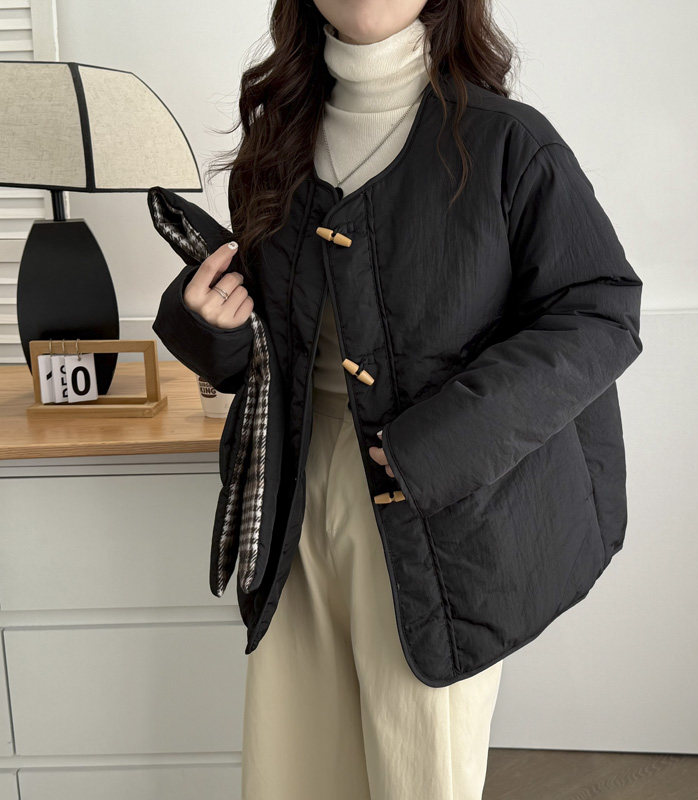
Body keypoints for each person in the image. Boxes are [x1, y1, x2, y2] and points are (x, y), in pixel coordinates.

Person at [164, 1, 643, 798]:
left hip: (436, 517)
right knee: (294, 773)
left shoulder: (508, 144)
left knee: (418, 774)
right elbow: (271, 343)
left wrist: (440, 446)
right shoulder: (276, 141)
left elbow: (599, 314)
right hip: (292, 508)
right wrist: (210, 326)